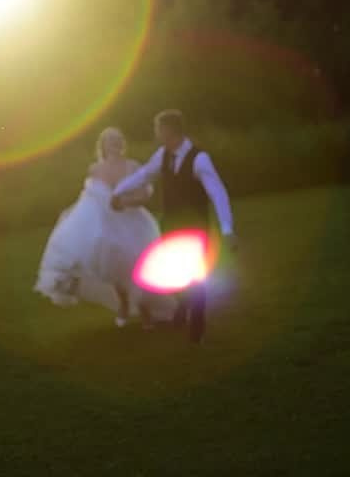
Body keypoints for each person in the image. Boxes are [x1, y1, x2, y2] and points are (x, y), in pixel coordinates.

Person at [111, 109, 235, 344]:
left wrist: (227, 229)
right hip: (171, 227)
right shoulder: (163, 155)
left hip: (195, 229)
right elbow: (144, 175)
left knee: (196, 277)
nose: (156, 134)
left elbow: (218, 193)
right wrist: (118, 191)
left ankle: (197, 326)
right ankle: (184, 304)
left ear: (169, 131)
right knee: (175, 275)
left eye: (158, 129)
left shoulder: (199, 159)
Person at [34, 127, 176, 327]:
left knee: (140, 268)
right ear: (103, 145)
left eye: (118, 140)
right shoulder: (95, 169)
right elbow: (89, 201)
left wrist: (125, 202)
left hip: (133, 224)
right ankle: (124, 306)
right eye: (110, 141)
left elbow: (144, 194)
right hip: (106, 225)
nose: (114, 144)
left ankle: (147, 311)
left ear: (123, 143)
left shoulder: (132, 166)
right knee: (114, 268)